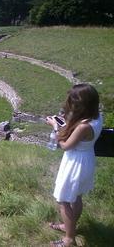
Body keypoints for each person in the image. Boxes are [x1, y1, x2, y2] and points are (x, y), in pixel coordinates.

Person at [46, 84, 103, 247]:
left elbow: (65, 146)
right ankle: (68, 226)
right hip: (86, 159)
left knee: (63, 200)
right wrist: (67, 122)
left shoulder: (83, 127)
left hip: (74, 163)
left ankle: (69, 240)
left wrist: (56, 126)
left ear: (82, 105)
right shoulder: (97, 117)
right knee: (76, 196)